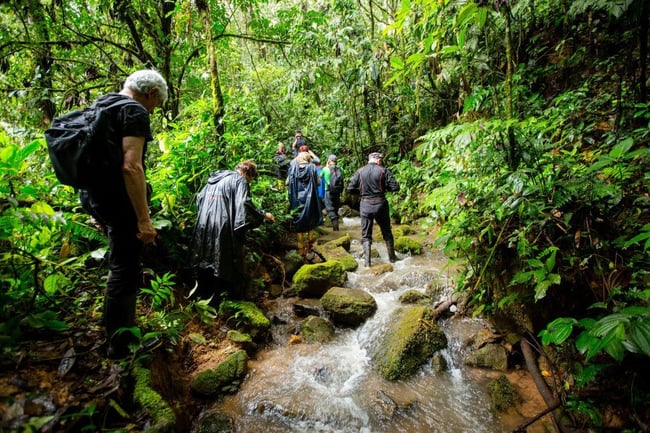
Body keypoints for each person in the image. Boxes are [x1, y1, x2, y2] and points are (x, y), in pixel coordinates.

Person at [79, 69, 168, 359]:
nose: (153, 110)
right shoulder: (134, 111)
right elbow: (131, 167)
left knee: (120, 266)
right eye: (156, 105)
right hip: (120, 202)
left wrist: (93, 207)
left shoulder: (102, 105)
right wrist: (144, 219)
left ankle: (116, 334)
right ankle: (121, 346)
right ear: (151, 93)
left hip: (95, 198)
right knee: (125, 269)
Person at [190, 160, 275, 302]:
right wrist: (263, 215)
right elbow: (244, 203)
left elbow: (199, 198)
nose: (250, 182)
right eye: (251, 179)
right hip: (223, 226)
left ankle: (204, 296)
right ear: (248, 174)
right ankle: (227, 298)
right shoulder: (240, 181)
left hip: (204, 224)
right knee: (226, 259)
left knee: (206, 258)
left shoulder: (215, 179)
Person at [347, 152, 400, 267]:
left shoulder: (360, 171)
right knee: (386, 231)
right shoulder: (383, 170)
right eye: (380, 160)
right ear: (376, 160)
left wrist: (361, 193)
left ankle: (367, 263)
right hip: (380, 203)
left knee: (366, 234)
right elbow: (395, 187)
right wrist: (384, 189)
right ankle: (392, 258)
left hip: (365, 204)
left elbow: (350, 189)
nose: (380, 161)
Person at [286, 149, 322, 255]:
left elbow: (287, 182)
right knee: (311, 220)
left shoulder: (293, 168)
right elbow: (318, 182)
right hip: (310, 200)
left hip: (296, 199)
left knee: (298, 221)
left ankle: (301, 248)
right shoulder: (312, 168)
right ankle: (310, 244)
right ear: (308, 159)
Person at [322, 154, 343, 231]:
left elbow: (320, 176)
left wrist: (326, 165)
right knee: (335, 208)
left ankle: (335, 228)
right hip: (337, 192)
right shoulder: (341, 169)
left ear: (329, 161)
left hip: (328, 191)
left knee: (330, 209)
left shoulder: (325, 169)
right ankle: (336, 228)